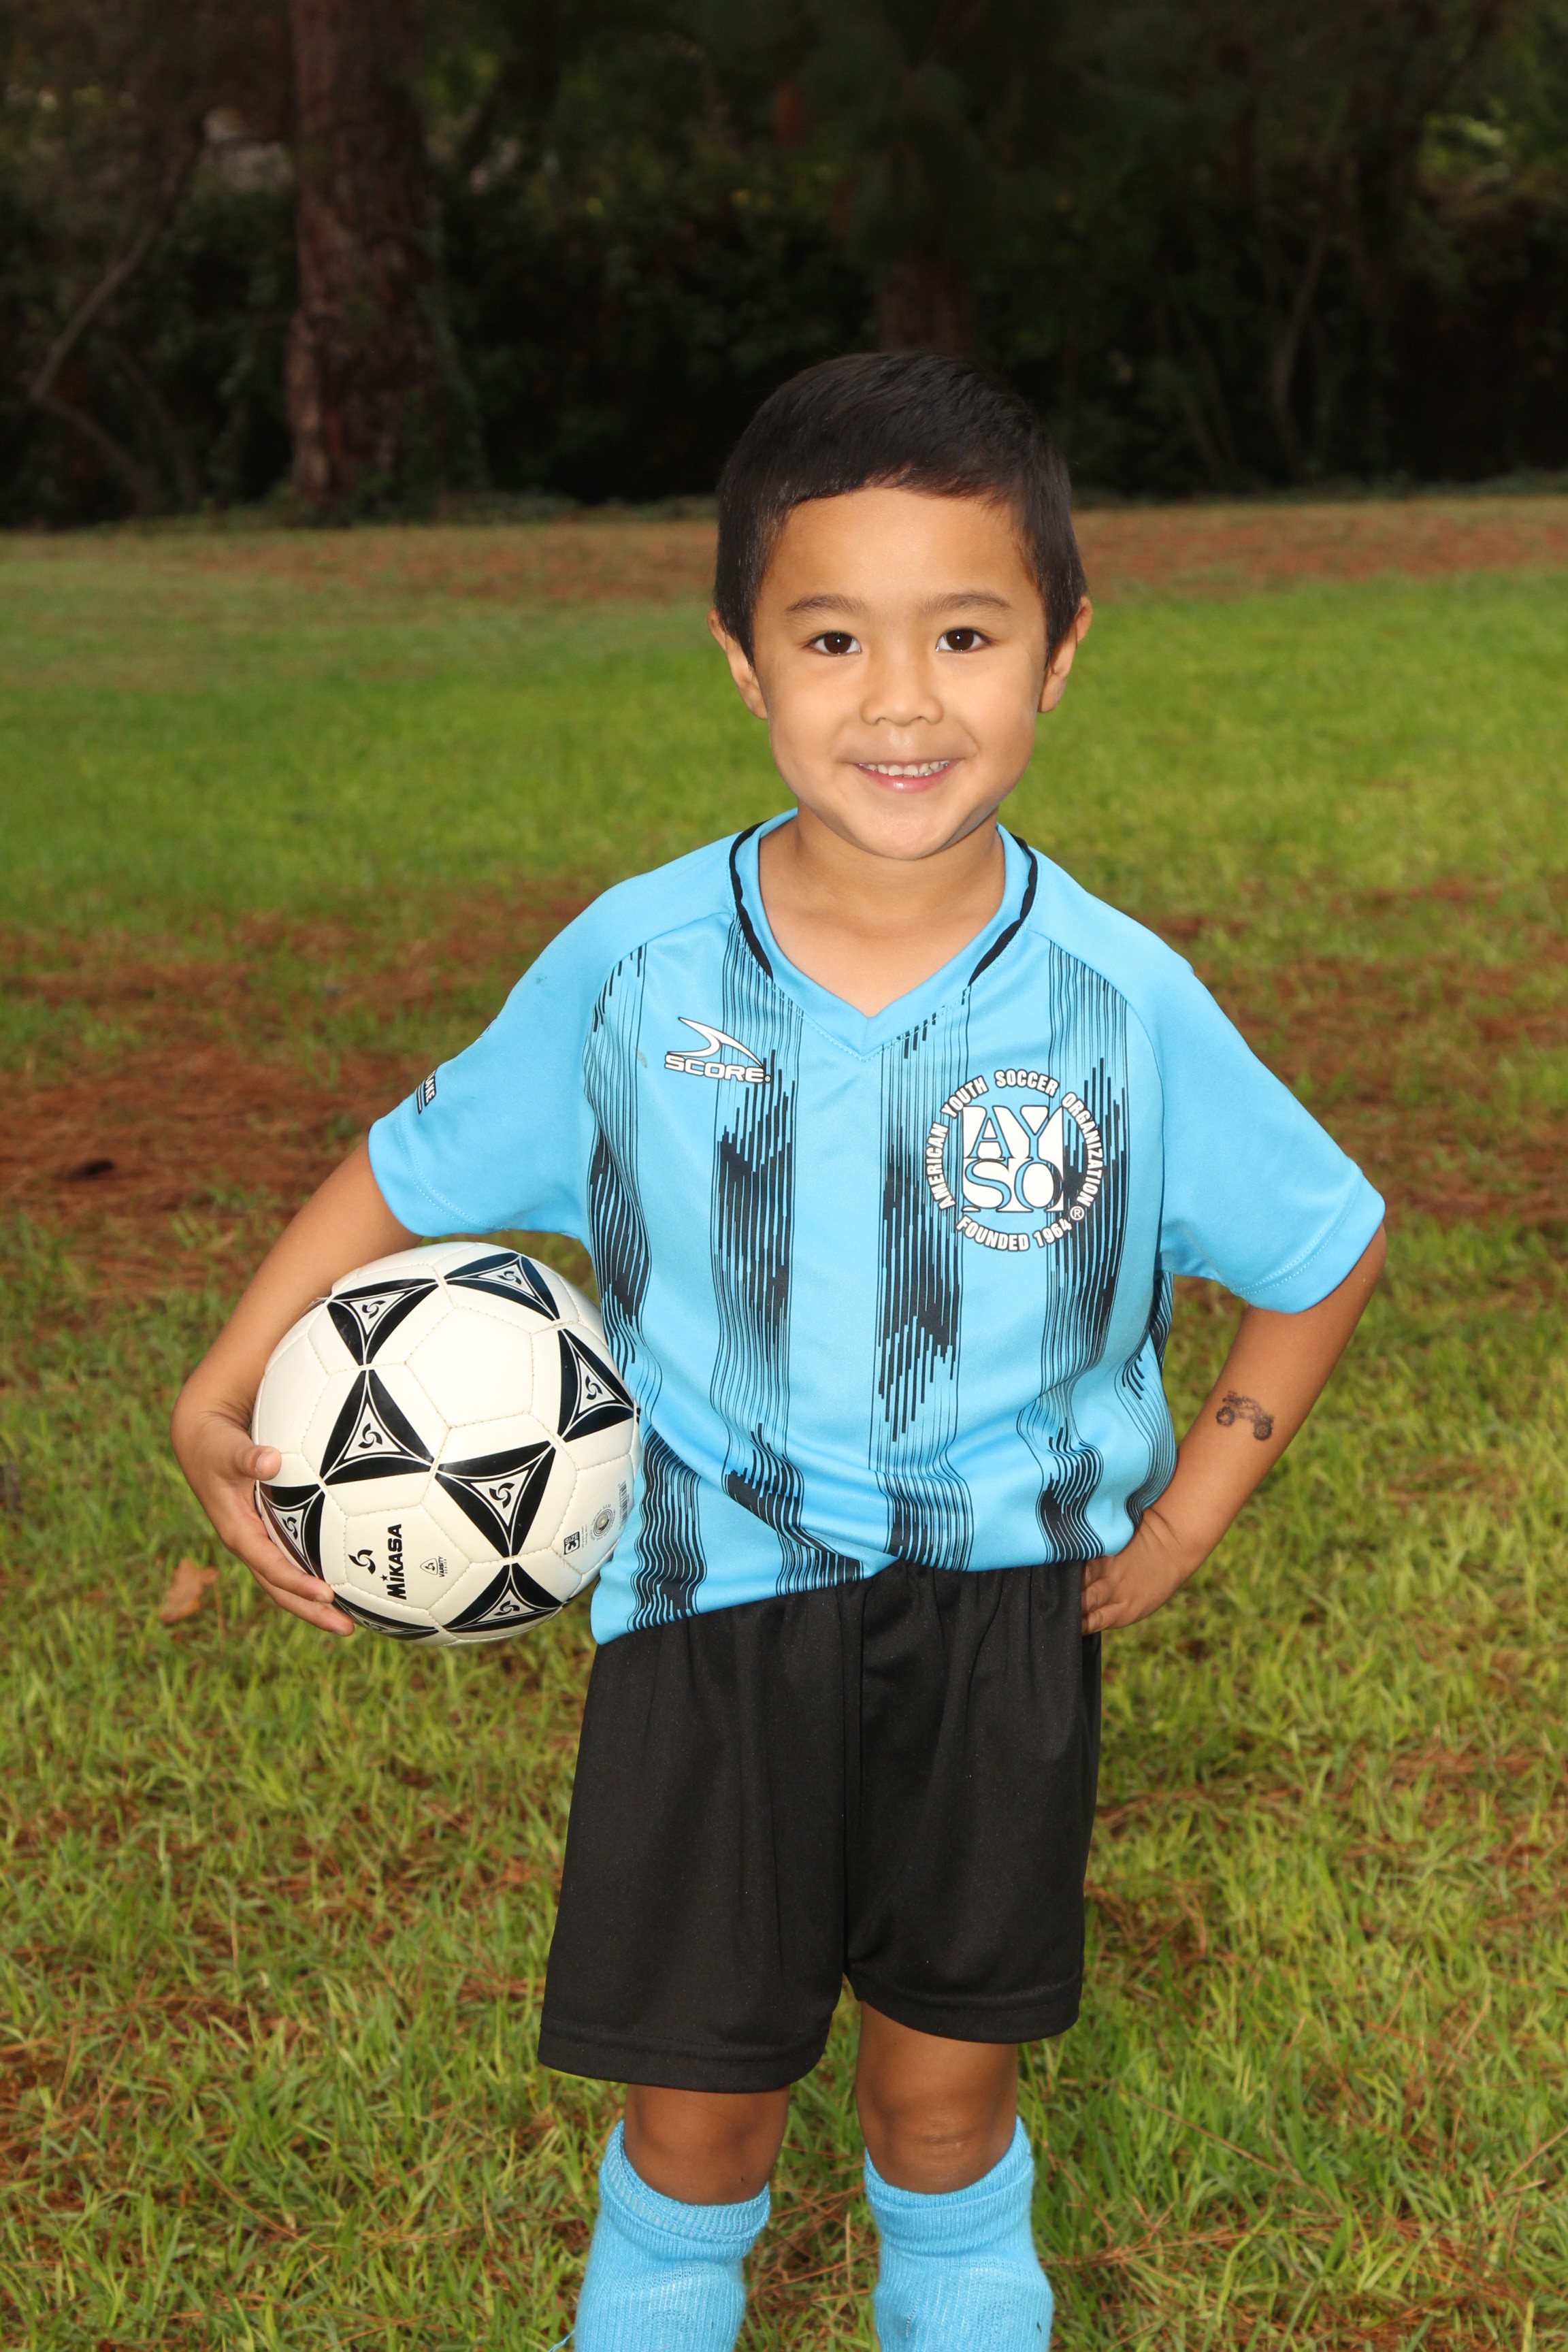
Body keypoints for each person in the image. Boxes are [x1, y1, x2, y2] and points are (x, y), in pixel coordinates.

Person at [173, 351, 1386, 2349]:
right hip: (709, 1616)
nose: (900, 700)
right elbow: (411, 1162)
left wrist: (1193, 1506)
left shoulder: (1121, 999)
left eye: (964, 635)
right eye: (833, 638)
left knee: (941, 2110)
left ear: (1063, 652)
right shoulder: (639, 963)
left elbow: (1320, 1247)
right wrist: (225, 1384)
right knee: (696, 2128)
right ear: (744, 661)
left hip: (1001, 1631)